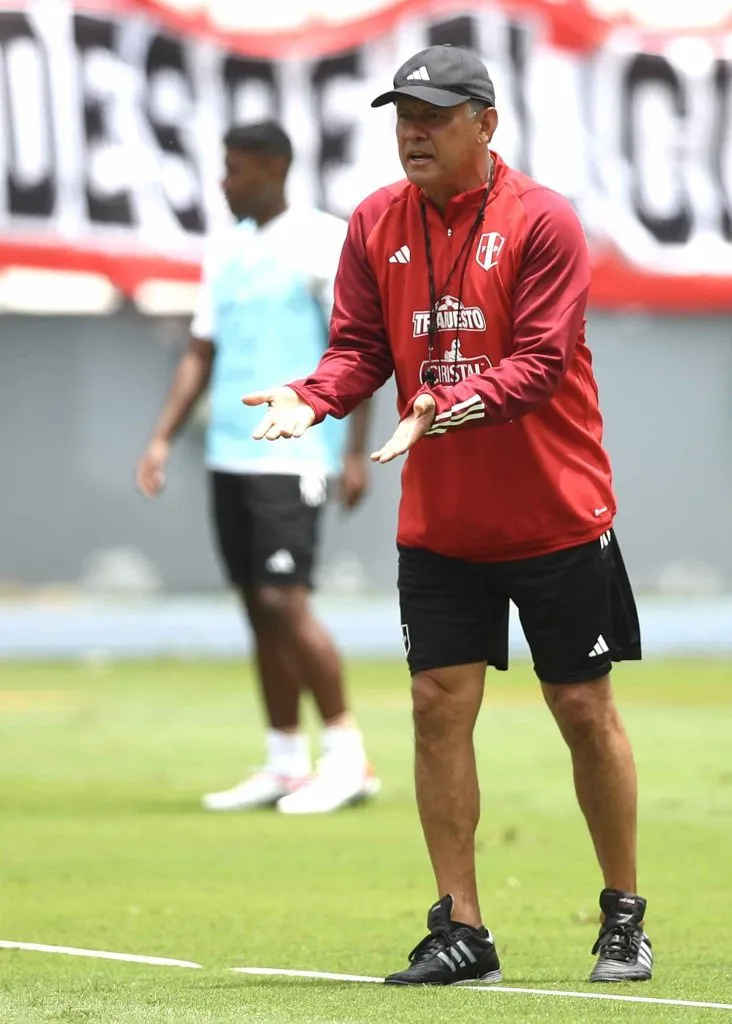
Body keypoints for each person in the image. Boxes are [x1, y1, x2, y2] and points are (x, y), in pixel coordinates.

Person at [243, 47, 652, 983]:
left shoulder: (544, 220)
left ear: (487, 123)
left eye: (432, 115)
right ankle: (462, 929)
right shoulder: (375, 221)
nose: (412, 133)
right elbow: (355, 348)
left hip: (554, 514)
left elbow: (543, 359)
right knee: (436, 710)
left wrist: (444, 405)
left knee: (583, 709)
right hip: (442, 525)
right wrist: (316, 397)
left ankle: (622, 913)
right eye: (402, 117)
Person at [137, 121, 379, 816]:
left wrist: (354, 451)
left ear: (274, 168)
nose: (224, 182)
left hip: (295, 449)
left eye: (236, 170)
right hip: (229, 454)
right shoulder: (227, 249)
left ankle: (346, 756)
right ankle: (284, 761)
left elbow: (355, 347)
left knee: (285, 600)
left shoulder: (322, 241)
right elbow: (200, 351)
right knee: (255, 606)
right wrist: (161, 439)